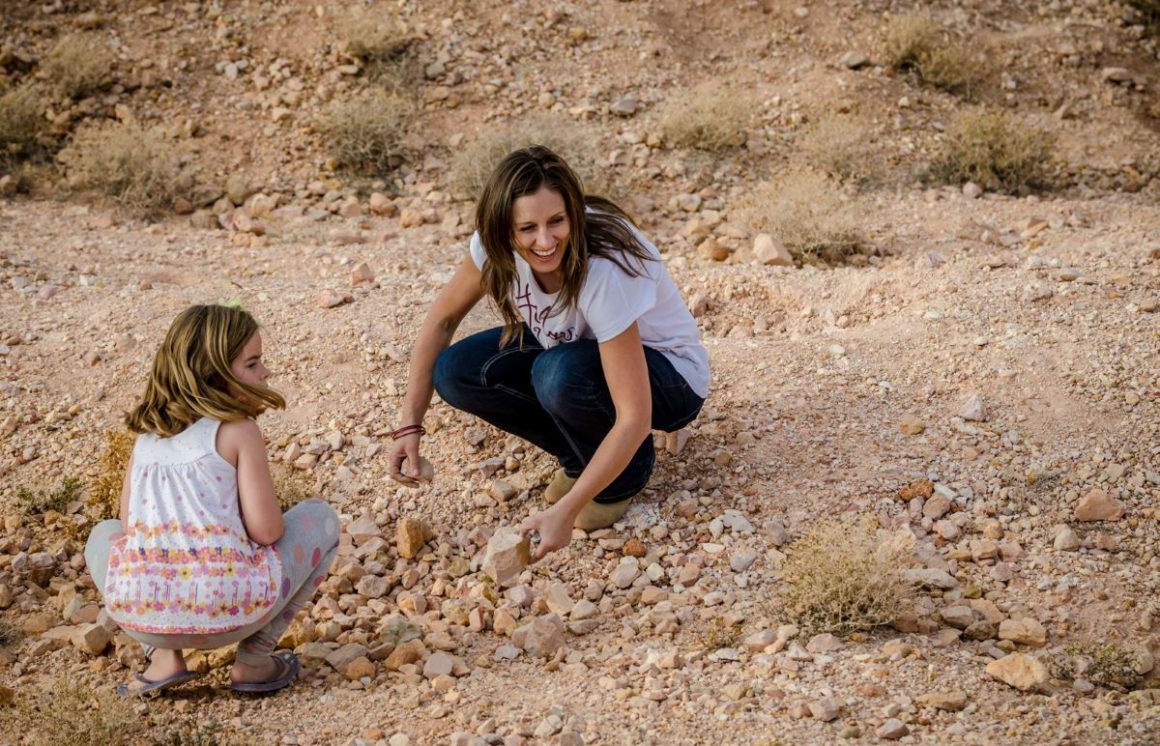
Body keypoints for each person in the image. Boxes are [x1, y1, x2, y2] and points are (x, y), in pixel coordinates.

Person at [388, 145, 709, 560]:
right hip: (575, 349)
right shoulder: (491, 246)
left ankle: (624, 477)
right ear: (504, 229)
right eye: (527, 229)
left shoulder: (603, 268)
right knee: (456, 371)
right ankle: (581, 458)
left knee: (557, 374)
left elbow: (635, 416)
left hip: (669, 379)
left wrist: (567, 509)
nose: (545, 241)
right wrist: (409, 426)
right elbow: (442, 322)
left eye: (557, 221)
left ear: (573, 213)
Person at [84, 304, 340, 696]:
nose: (265, 373)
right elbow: (268, 531)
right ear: (213, 374)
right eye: (253, 363)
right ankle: (254, 661)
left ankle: (161, 657)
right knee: (321, 518)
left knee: (104, 533)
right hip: (231, 612)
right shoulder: (238, 431)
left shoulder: (146, 437)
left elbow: (130, 525)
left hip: (142, 615)